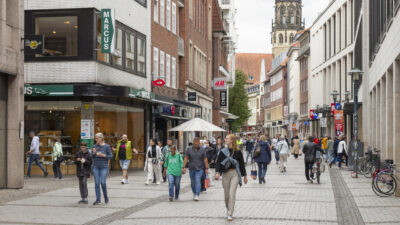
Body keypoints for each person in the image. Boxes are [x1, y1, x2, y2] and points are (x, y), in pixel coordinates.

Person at [215, 134, 248, 221]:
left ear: (232, 141)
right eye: (225, 138)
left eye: (227, 138)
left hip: (235, 174)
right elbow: (218, 163)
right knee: (226, 196)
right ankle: (228, 208)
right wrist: (217, 172)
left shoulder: (238, 151)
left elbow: (241, 164)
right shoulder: (222, 151)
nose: (225, 139)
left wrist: (245, 176)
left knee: (231, 193)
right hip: (225, 174)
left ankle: (230, 213)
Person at [182, 137, 209, 201]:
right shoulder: (189, 149)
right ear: (193, 142)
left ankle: (197, 194)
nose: (196, 143)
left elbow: (205, 159)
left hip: (200, 169)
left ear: (199, 143)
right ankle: (194, 192)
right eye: (195, 142)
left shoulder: (202, 149)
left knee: (198, 181)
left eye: (198, 142)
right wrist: (183, 167)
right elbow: (186, 158)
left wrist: (207, 168)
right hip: (191, 168)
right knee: (192, 182)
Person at [92, 133, 113, 205]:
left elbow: (110, 156)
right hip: (96, 166)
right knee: (97, 183)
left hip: (104, 167)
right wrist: (94, 153)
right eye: (95, 138)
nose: (95, 140)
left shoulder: (106, 146)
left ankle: (105, 196)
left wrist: (103, 155)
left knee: (103, 182)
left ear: (101, 138)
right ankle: (98, 199)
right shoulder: (95, 146)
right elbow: (91, 156)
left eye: (97, 138)